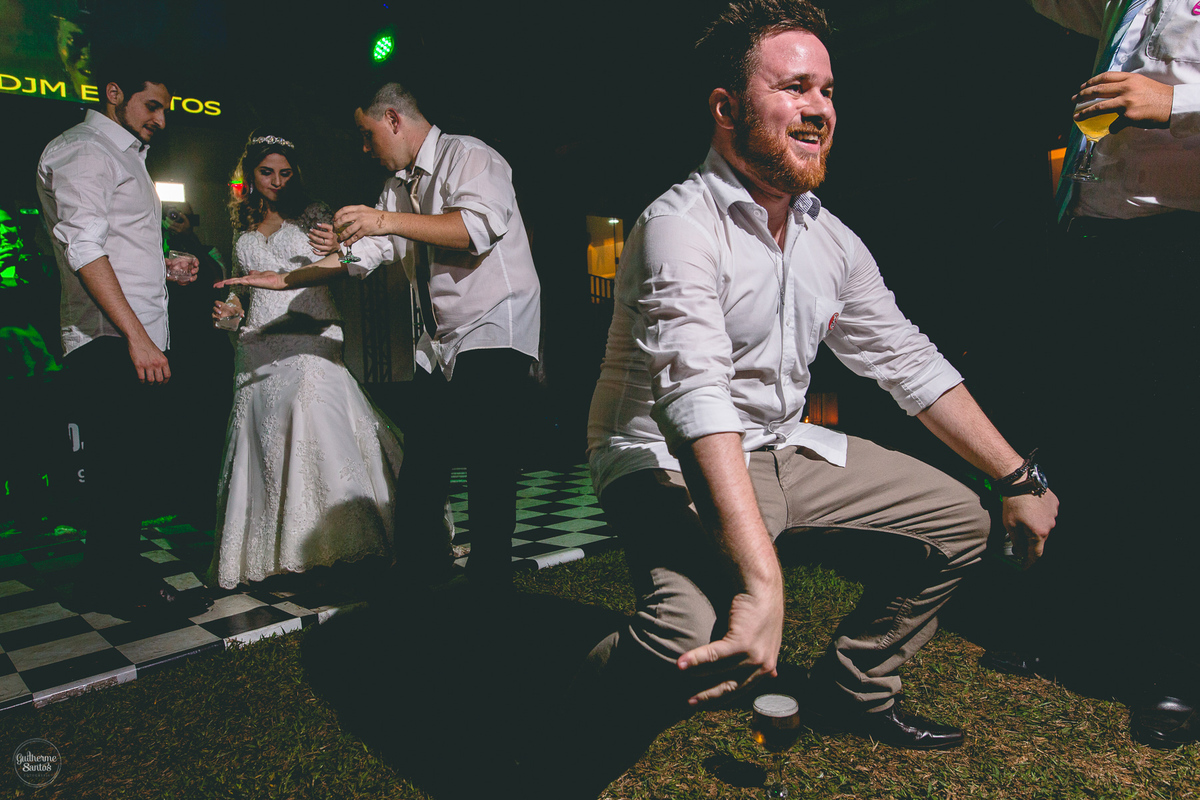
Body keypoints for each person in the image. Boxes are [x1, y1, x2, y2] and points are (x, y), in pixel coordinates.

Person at [576, 0, 1060, 767]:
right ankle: (576, 706)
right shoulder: (678, 226)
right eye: (795, 88)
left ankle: (855, 690)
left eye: (828, 91)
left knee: (959, 523)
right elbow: (693, 399)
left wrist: (1016, 475)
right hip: (663, 457)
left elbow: (905, 358)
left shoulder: (826, 236)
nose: (819, 109)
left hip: (782, 445)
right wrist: (762, 584)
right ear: (726, 108)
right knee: (691, 629)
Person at [229, 83, 542, 592]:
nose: (364, 147)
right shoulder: (397, 188)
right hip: (441, 340)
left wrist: (382, 220)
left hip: (496, 321)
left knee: (488, 454)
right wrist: (286, 279)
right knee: (425, 456)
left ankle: (490, 578)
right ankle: (421, 571)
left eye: (367, 134)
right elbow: (363, 256)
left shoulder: (471, 156)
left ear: (393, 119)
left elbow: (472, 230)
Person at [990, 0, 1198, 749]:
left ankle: (1178, 669)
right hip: (1100, 231)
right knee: (1095, 439)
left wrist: (1176, 102)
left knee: (1175, 457)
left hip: (1182, 234)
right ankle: (1077, 631)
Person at [35, 52, 208, 617]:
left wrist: (164, 265)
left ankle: (105, 575)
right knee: (117, 470)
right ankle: (120, 588)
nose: (161, 118)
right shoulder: (84, 150)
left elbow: (115, 246)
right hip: (110, 341)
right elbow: (83, 249)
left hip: (131, 334)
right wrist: (136, 338)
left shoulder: (123, 155)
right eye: (151, 105)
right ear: (114, 92)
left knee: (126, 468)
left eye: (165, 108)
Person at [205, 132, 404, 589]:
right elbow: (241, 291)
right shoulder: (240, 227)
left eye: (285, 172)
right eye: (266, 172)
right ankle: (280, 554)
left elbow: (350, 260)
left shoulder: (315, 215)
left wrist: (335, 243)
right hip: (258, 343)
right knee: (266, 443)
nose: (276, 181)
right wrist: (232, 313)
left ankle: (345, 543)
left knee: (316, 422)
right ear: (250, 176)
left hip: (312, 332)